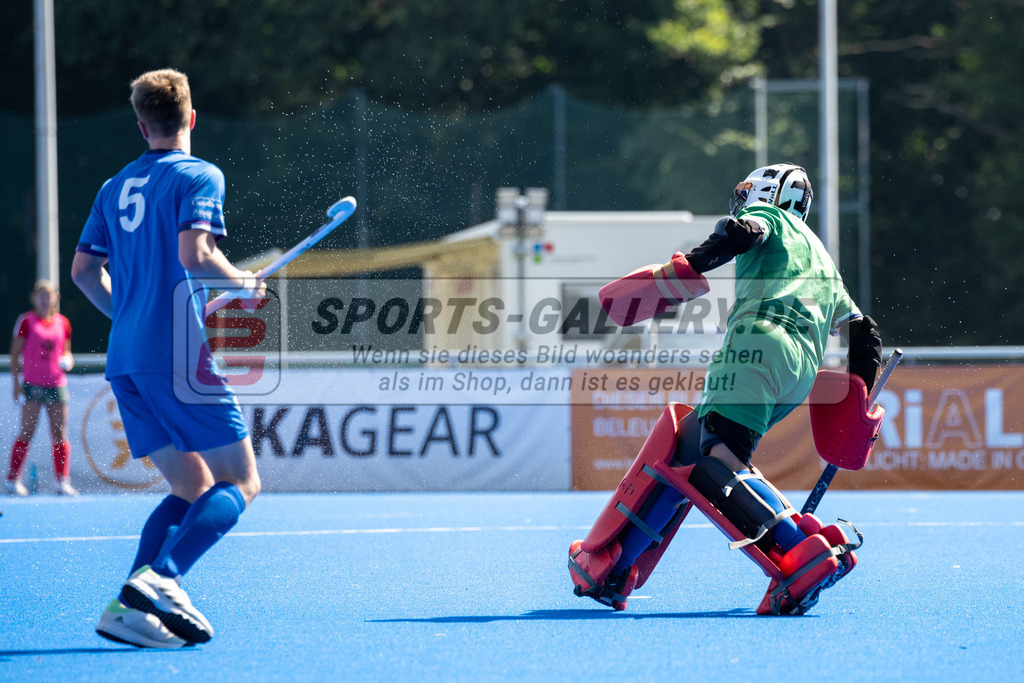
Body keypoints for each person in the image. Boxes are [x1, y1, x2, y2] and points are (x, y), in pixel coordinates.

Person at [568, 163, 883, 615]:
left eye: (750, 193)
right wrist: (859, 395)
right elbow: (864, 332)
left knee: (717, 462)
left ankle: (801, 551)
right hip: (799, 372)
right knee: (685, 448)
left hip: (756, 344)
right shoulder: (821, 258)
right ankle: (614, 566)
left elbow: (743, 229)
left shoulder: (770, 217)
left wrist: (687, 268)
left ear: (766, 193)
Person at [72, 68, 266, 648]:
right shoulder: (200, 174)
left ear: (141, 124)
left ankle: (126, 605)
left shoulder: (113, 186)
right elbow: (196, 253)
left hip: (126, 358)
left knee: (190, 485)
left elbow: (83, 272)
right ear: (192, 118)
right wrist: (242, 284)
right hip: (176, 359)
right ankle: (164, 578)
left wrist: (130, 316)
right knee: (242, 480)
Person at [6, 280, 76, 496]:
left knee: (59, 433)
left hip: (57, 384)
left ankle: (62, 481)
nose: (45, 300)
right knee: (27, 431)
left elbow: (67, 352)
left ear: (56, 298)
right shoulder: (26, 321)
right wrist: (16, 384)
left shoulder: (63, 323)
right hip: (33, 385)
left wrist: (68, 361)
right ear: (34, 298)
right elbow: (15, 354)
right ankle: (12, 479)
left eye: (49, 295)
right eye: (41, 296)